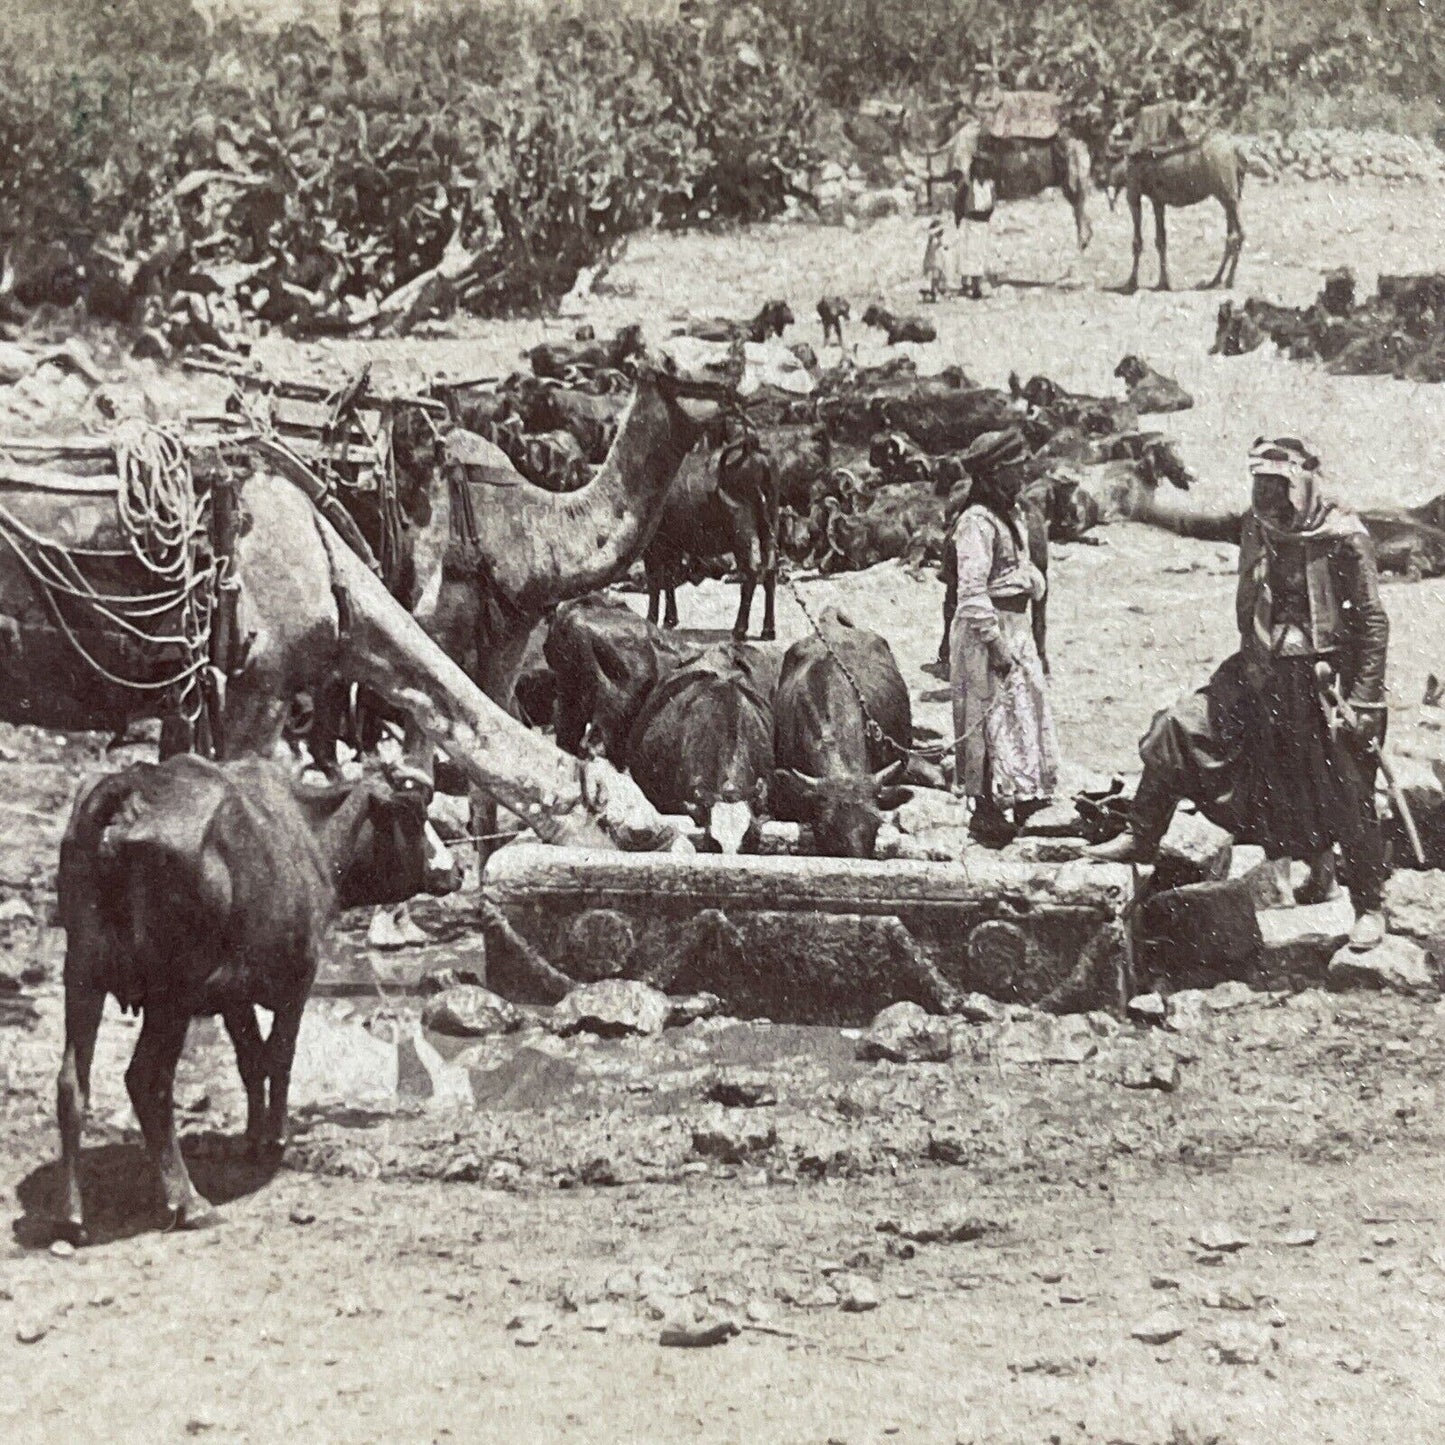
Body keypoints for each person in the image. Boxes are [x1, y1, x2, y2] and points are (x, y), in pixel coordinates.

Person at [1093, 436, 1390, 951]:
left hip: (1325, 686)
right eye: (1256, 482)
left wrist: (1363, 701)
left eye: (1272, 484)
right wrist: (1143, 508)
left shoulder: (1343, 537)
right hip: (1258, 675)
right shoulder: (1256, 522)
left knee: (1344, 792)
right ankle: (1142, 835)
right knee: (1179, 726)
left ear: (1298, 485)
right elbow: (1196, 523)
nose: (1261, 493)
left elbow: (1372, 622)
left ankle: (1369, 905)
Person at [948, 428, 1058, 845]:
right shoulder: (975, 523)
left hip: (1017, 626)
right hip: (987, 631)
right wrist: (995, 643)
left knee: (1022, 712)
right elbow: (971, 592)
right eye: (1015, 470)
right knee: (988, 718)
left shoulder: (1011, 515)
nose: (1024, 475)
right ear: (993, 475)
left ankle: (1025, 795)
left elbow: (1022, 567)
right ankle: (987, 808)